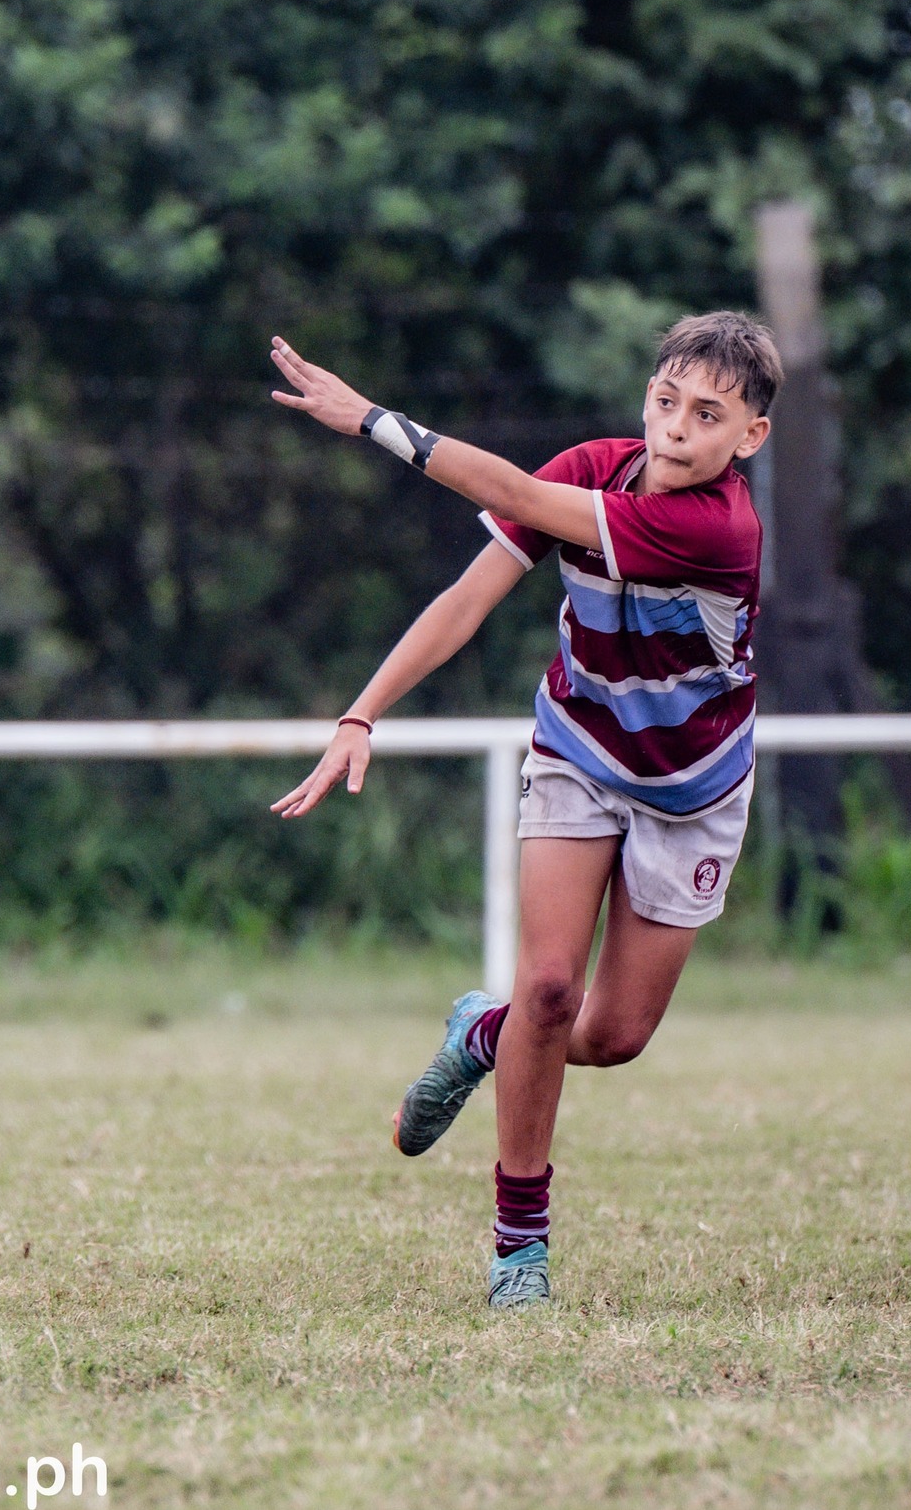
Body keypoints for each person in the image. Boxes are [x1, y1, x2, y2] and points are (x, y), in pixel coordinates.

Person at [265, 313, 776, 1308]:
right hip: (577, 750)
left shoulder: (716, 526)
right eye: (664, 401)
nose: (675, 428)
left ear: (745, 437)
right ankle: (518, 1251)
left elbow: (509, 490)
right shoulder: (595, 466)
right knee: (548, 991)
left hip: (693, 785)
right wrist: (360, 711)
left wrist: (369, 418)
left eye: (706, 414)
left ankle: (477, 1034)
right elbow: (467, 595)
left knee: (610, 1034)